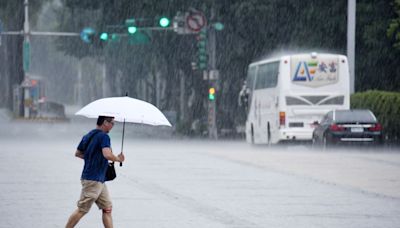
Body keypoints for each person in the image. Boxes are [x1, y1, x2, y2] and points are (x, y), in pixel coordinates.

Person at [66, 116, 125, 228]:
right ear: (104, 122)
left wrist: (93, 158)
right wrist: (118, 159)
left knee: (107, 208)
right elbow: (107, 154)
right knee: (82, 209)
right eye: (112, 123)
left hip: (98, 179)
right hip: (93, 180)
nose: (113, 125)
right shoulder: (104, 137)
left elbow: (78, 153)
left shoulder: (88, 135)